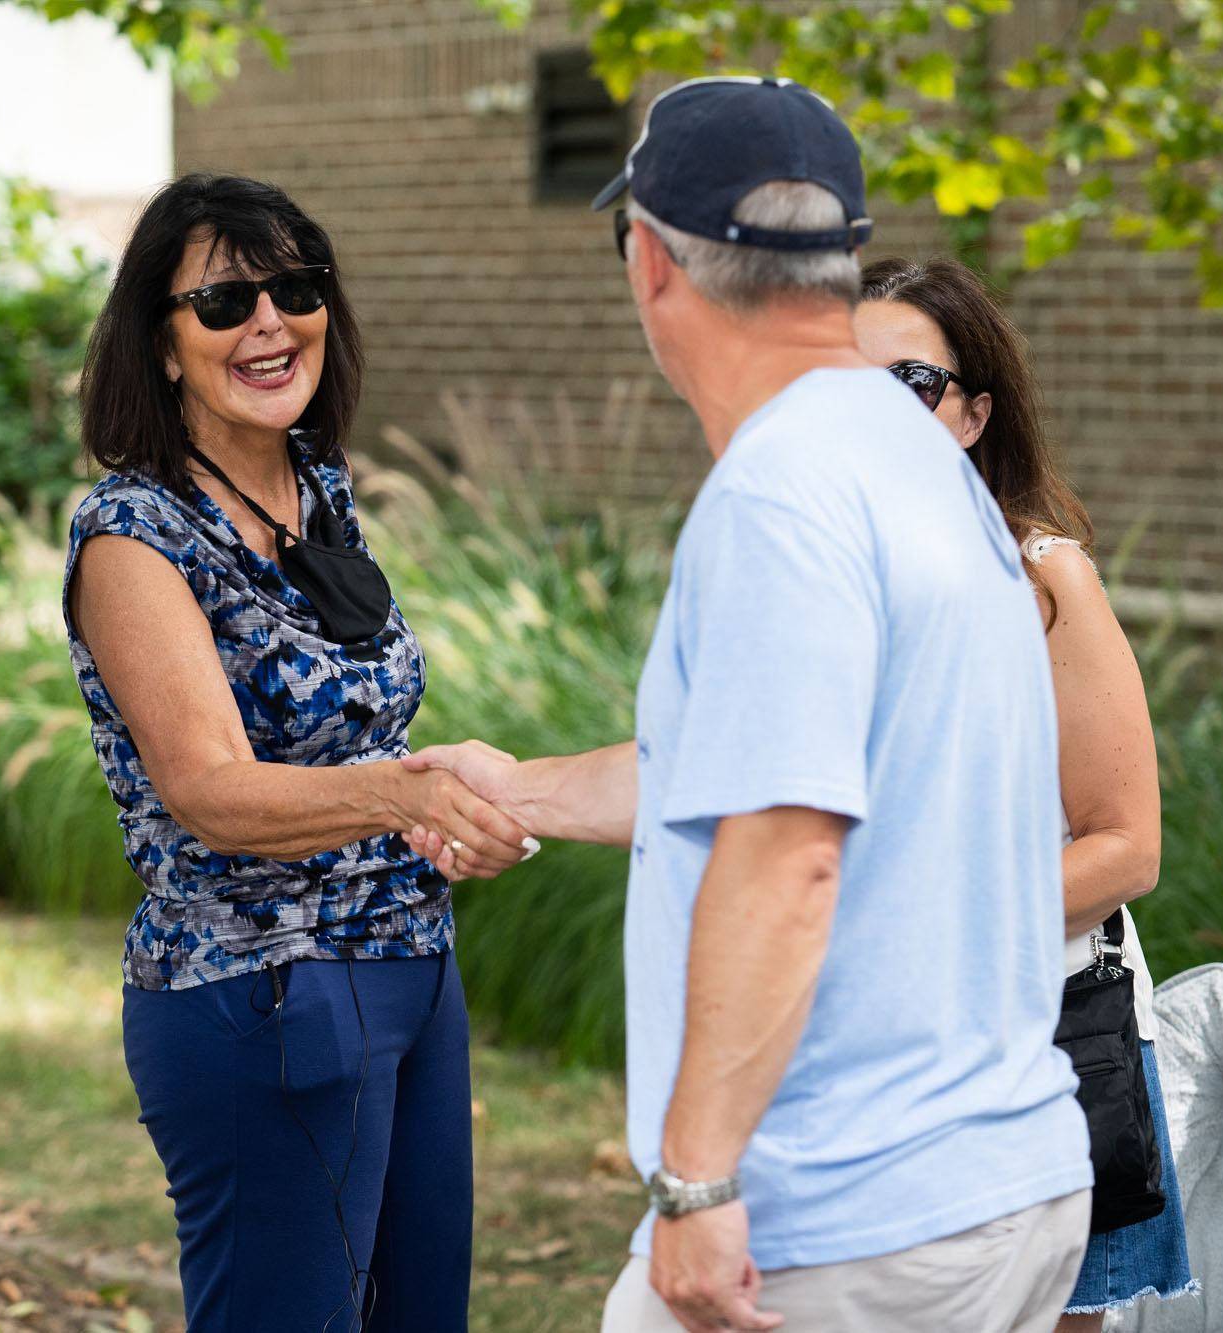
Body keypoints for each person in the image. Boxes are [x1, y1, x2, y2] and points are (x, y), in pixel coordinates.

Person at [406, 78, 1092, 1331]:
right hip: (997, 1186)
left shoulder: (781, 493)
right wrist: (514, 790)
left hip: (836, 1223)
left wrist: (696, 1179)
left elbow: (786, 857)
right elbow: (743, 765)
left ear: (649, 261)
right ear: (837, 263)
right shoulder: (919, 466)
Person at [63, 172, 533, 1333]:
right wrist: (411, 788)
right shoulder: (134, 534)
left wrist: (426, 814)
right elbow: (210, 793)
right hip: (262, 990)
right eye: (224, 302)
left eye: (294, 286)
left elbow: (351, 734)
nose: (270, 321)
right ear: (162, 344)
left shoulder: (316, 489)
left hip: (411, 968)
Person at [854, 255, 1195, 1328]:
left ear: (971, 413)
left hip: (1035, 1037)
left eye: (908, 382)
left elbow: (1123, 846)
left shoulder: (1042, 579)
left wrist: (921, 934)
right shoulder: (824, 581)